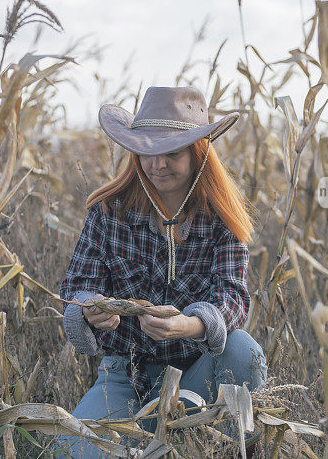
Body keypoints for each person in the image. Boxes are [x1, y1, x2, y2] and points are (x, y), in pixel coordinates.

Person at [56, 86, 267, 457]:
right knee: (69, 451)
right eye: (148, 151)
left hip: (199, 371)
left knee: (242, 350)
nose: (158, 164)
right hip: (123, 376)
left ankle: (224, 447)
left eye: (172, 152)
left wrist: (189, 325)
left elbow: (233, 297)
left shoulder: (222, 218)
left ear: (198, 154)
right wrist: (91, 309)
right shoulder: (109, 212)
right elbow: (78, 287)